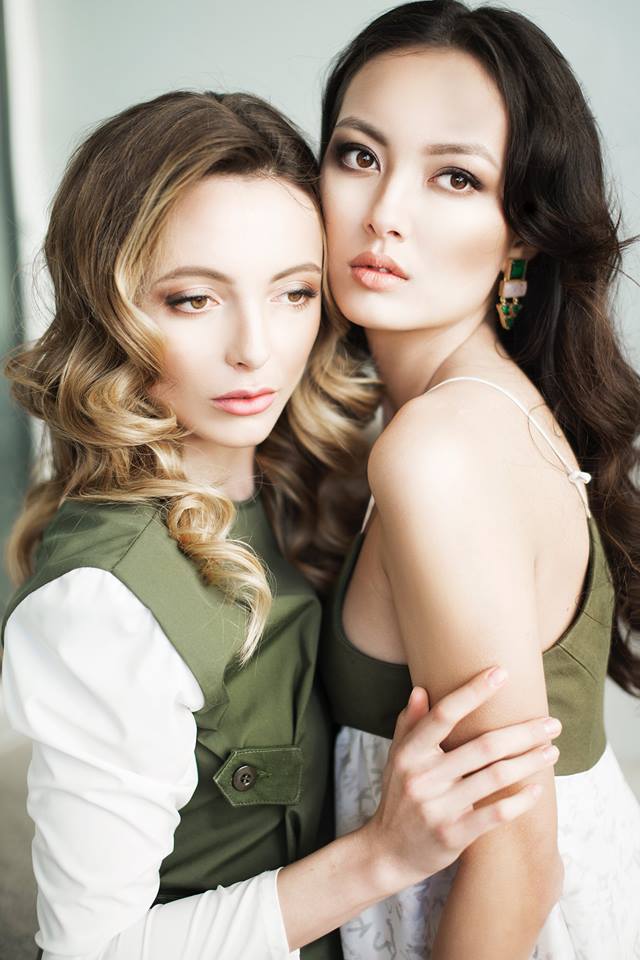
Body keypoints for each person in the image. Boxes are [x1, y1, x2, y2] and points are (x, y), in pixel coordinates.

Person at [0, 90, 561, 960]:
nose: (256, 348)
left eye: (295, 291)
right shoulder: (104, 605)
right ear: (112, 311)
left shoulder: (317, 493)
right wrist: (381, 856)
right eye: (193, 300)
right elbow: (94, 952)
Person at [318, 2, 640, 958]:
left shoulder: (439, 450)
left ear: (521, 238)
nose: (385, 212)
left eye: (454, 176)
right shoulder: (482, 407)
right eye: (359, 155)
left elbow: (518, 861)